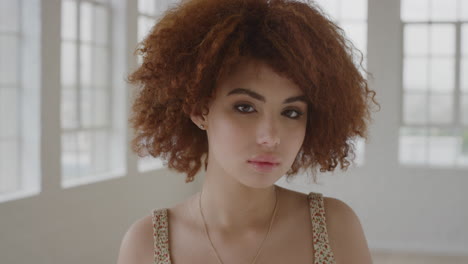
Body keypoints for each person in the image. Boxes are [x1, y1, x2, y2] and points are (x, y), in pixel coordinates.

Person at [118, 0, 379, 263]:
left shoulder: (335, 228)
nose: (270, 137)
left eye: (291, 112)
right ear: (199, 110)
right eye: (245, 107)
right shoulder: (147, 245)